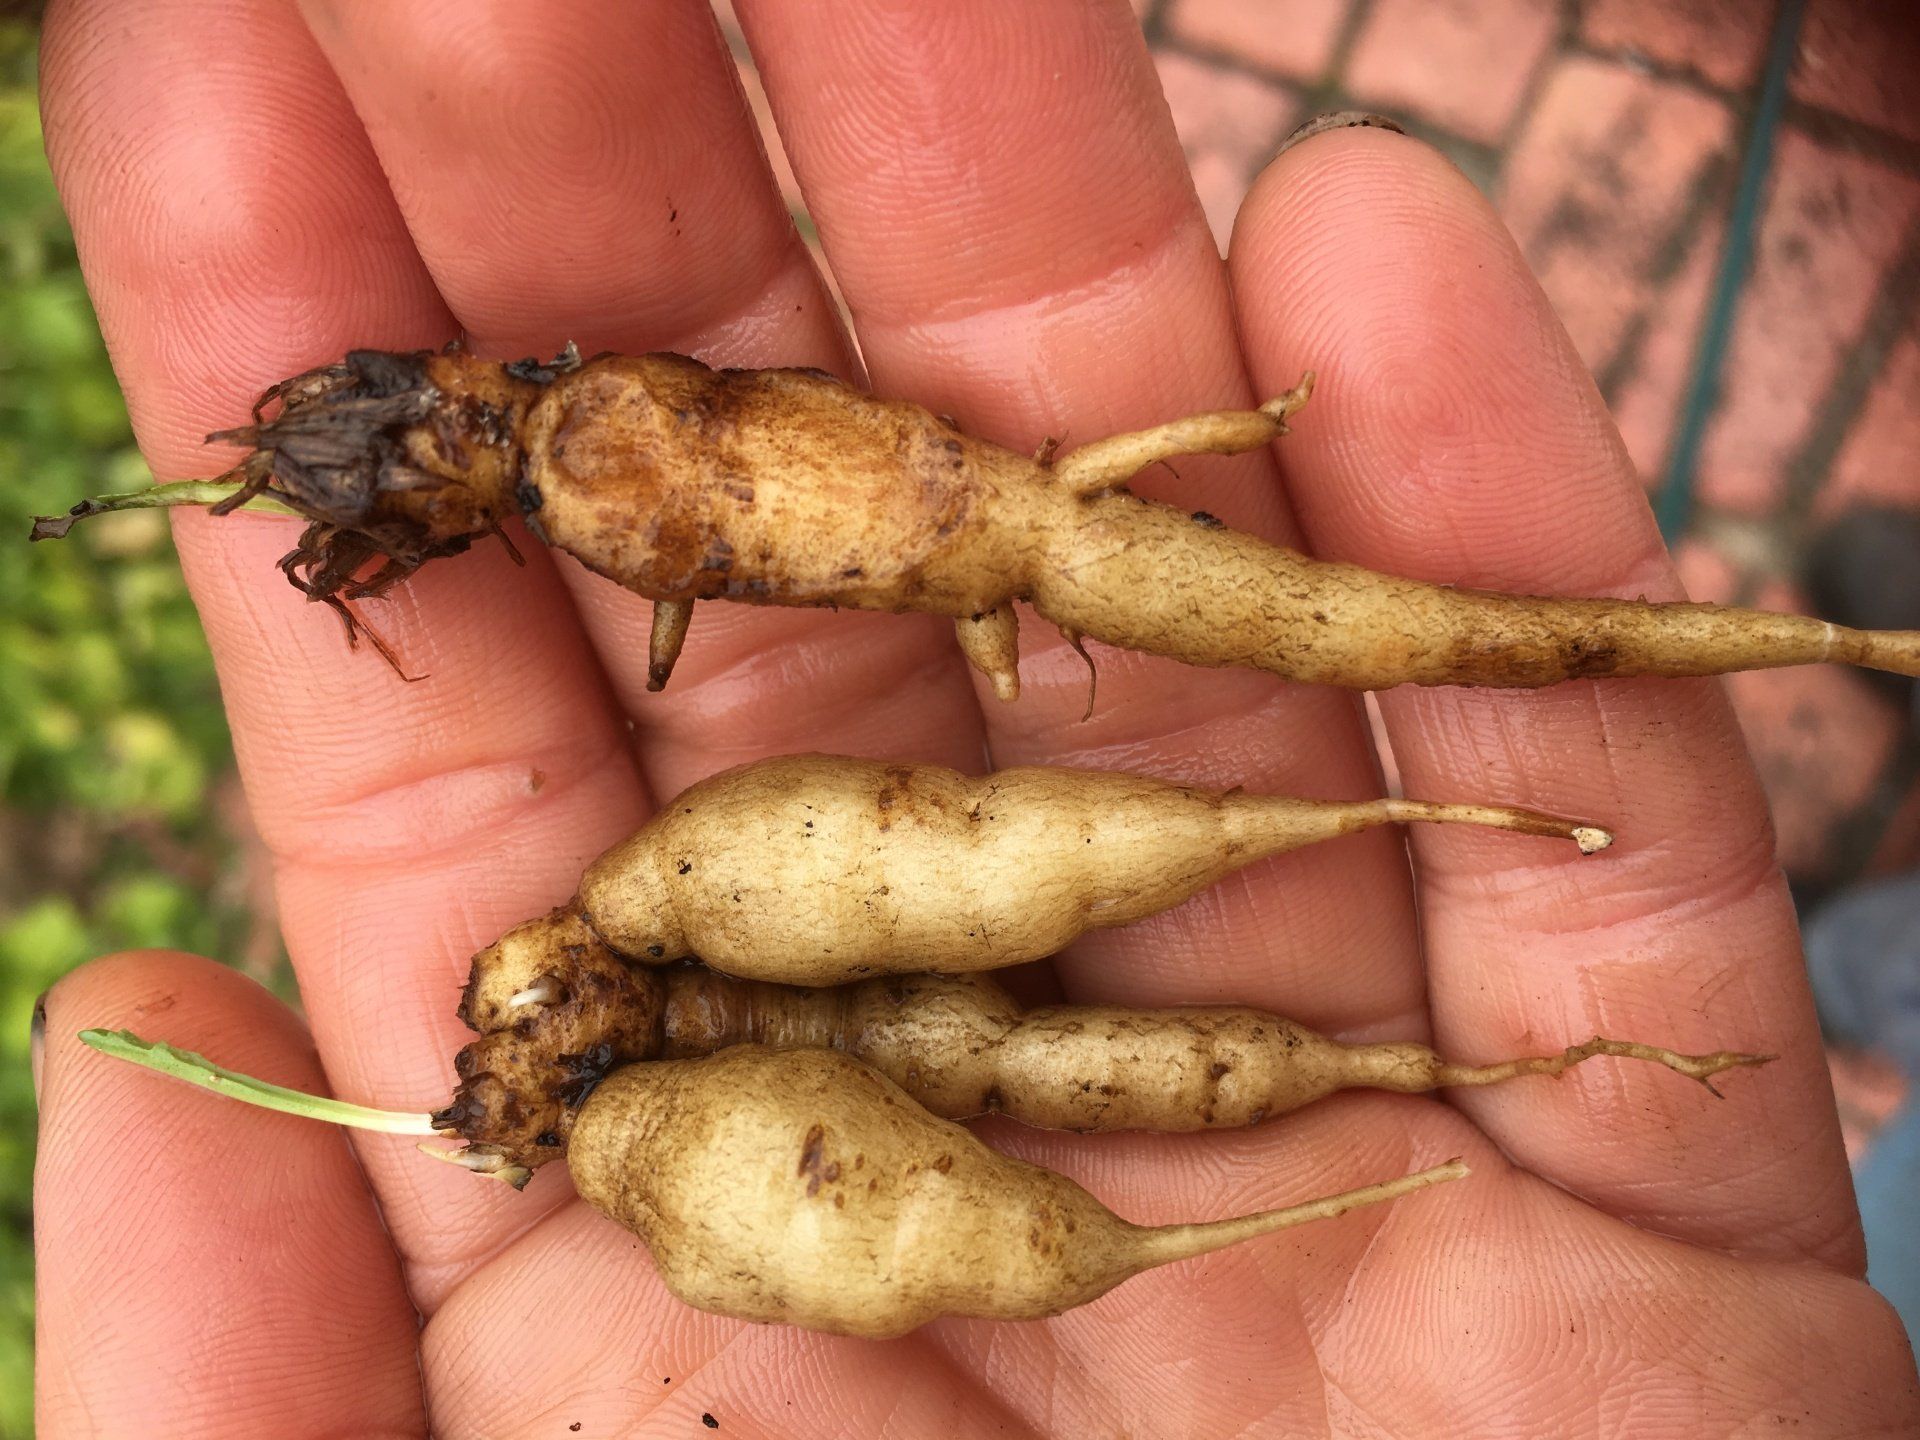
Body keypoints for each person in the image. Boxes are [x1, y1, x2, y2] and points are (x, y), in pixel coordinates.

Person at [30, 3, 1920, 1435]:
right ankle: (1841, 664)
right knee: (1223, 779)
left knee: (1356, 645)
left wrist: (1005, 531)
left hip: (1003, 540)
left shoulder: (601, 480)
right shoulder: (607, 493)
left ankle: (1839, 651)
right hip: (976, 593)